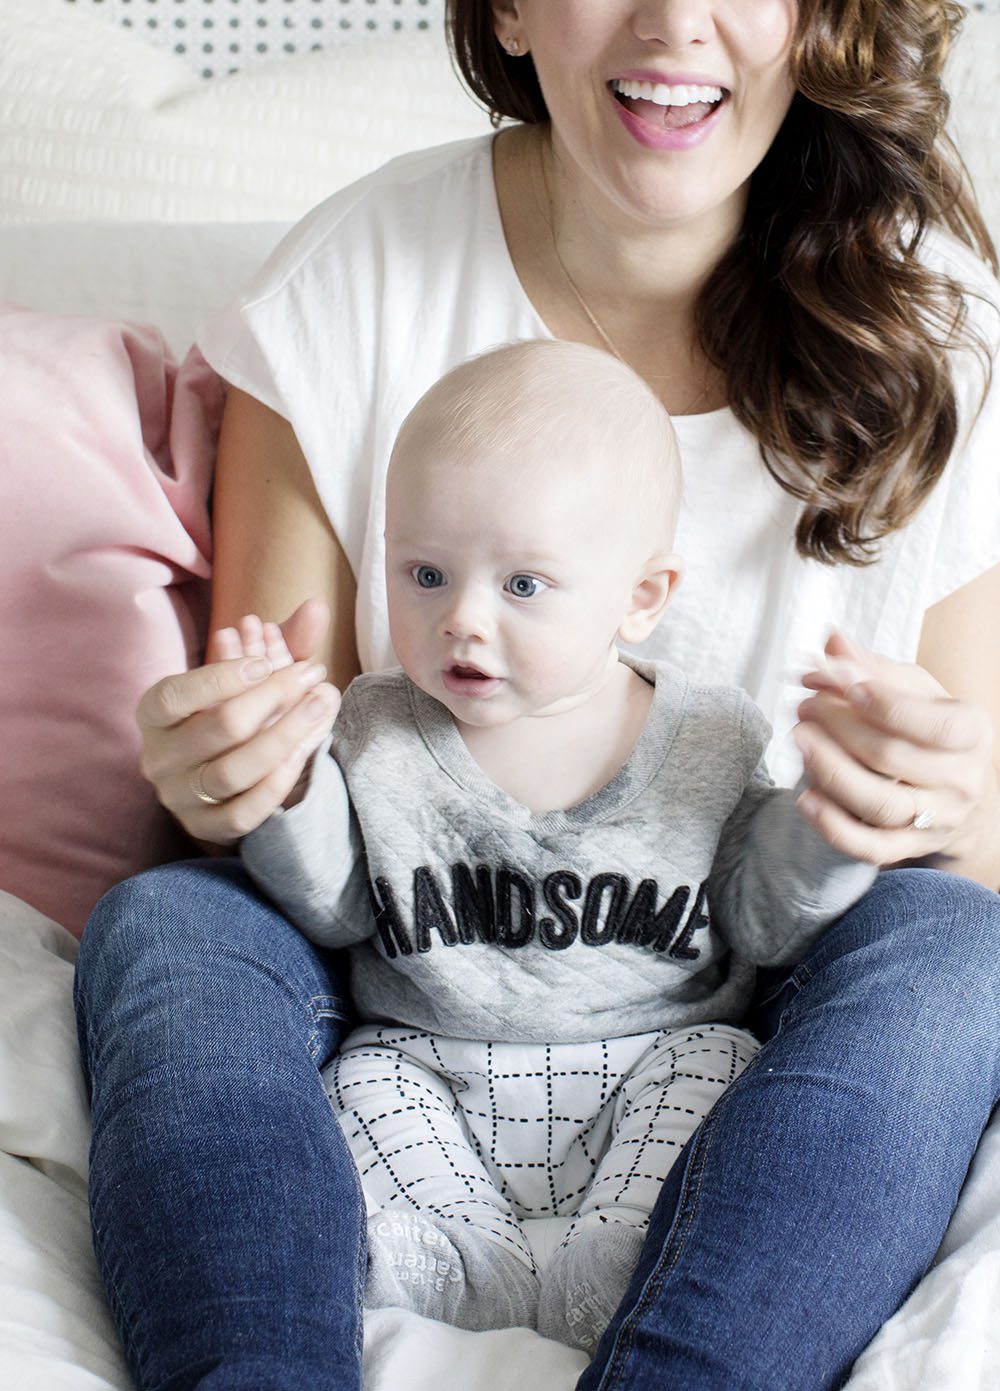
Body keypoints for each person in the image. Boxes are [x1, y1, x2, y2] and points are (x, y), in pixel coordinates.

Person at [74, 2, 1000, 1389]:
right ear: (508, 6)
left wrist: (909, 799)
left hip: (734, 998)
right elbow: (291, 814)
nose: (676, 22)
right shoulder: (351, 284)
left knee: (950, 944)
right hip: (405, 988)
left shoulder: (945, 330)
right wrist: (226, 773)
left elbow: (964, 856)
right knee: (168, 919)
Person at [231, 338, 876, 1353]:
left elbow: (761, 920)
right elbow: (340, 906)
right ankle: (460, 1266)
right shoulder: (377, 726)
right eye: (426, 573)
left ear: (642, 595)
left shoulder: (709, 735)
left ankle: (625, 1255)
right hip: (431, 1063)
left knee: (722, 1061)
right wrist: (283, 786)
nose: (463, 622)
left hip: (646, 1064)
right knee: (358, 1081)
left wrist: (835, 821)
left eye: (523, 585)